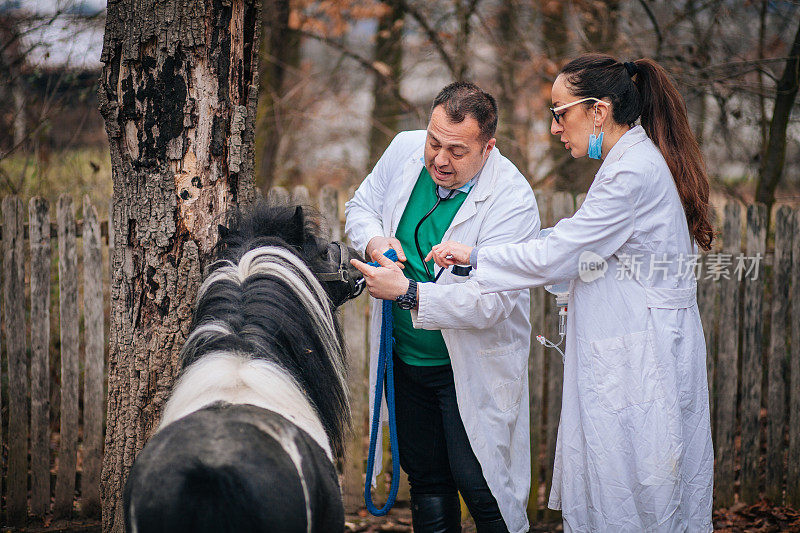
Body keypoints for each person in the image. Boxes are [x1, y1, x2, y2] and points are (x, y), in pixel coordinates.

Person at [356, 55, 715, 532]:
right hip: (627, 348)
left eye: (560, 112)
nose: (554, 127)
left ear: (598, 111)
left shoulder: (627, 174)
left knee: (634, 488)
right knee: (630, 485)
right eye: (434, 143)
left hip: (638, 355)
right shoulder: (628, 163)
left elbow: (557, 255)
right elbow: (578, 245)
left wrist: (469, 262)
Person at [345, 82, 539, 533]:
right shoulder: (404, 149)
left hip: (466, 370)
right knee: (426, 480)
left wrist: (409, 294)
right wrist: (376, 241)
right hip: (406, 361)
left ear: (487, 147)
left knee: (481, 485)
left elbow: (491, 301)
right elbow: (362, 207)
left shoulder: (511, 198)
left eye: (457, 149)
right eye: (434, 142)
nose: (439, 159)